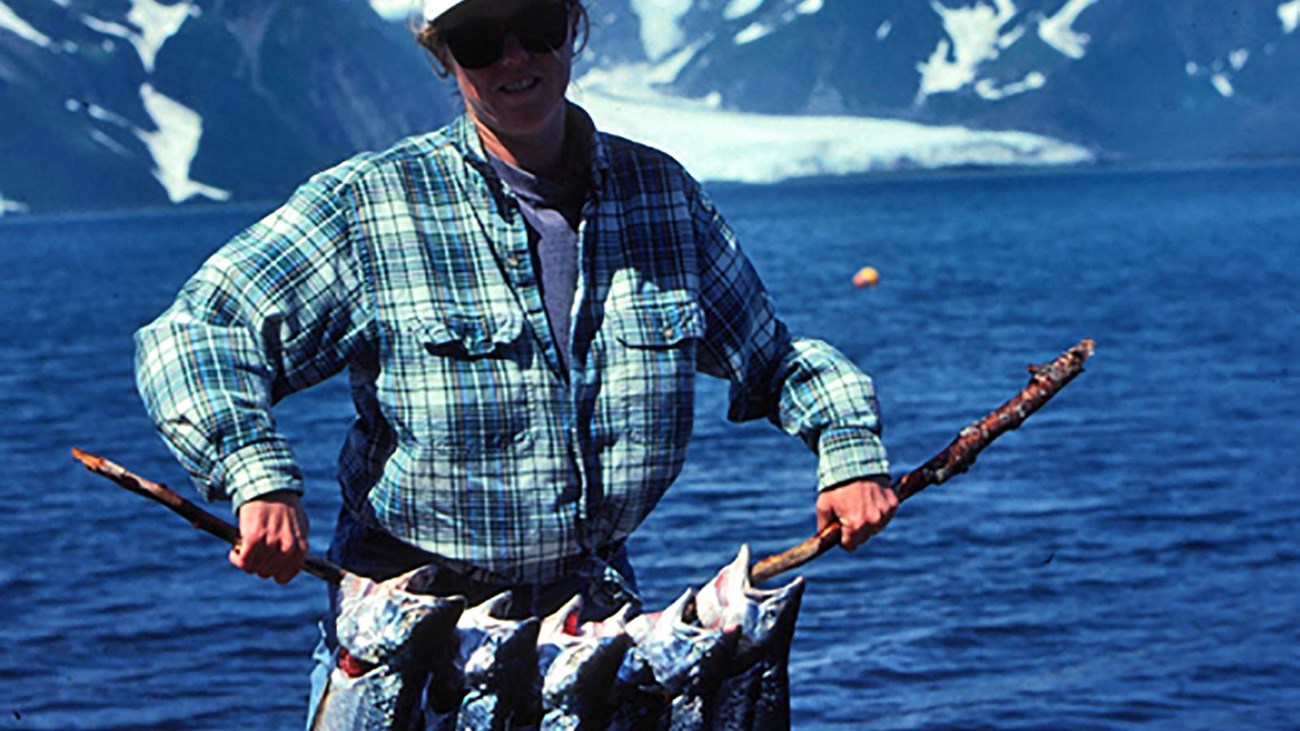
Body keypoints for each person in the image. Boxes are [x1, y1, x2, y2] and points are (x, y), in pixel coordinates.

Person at [134, 0, 897, 722]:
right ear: (442, 57)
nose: (513, 56)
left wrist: (848, 449)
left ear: (574, 25)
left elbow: (774, 357)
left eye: (535, 22)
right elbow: (198, 332)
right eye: (478, 39)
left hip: (593, 637)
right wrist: (256, 475)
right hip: (411, 642)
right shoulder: (369, 206)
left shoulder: (661, 196)